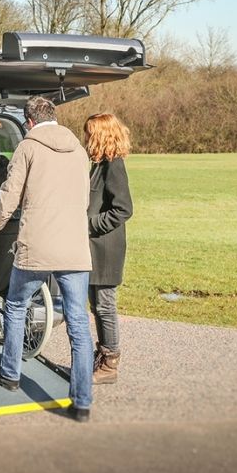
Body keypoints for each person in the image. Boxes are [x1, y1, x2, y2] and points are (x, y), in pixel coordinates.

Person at [0, 96, 95, 423]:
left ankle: (10, 375)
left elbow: (8, 196)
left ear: (29, 121)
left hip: (37, 246)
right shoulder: (78, 150)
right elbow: (83, 198)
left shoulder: (27, 149)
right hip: (75, 248)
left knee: (16, 306)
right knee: (78, 324)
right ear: (53, 117)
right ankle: (83, 402)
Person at [84, 113, 133, 385]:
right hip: (94, 246)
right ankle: (102, 356)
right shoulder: (97, 164)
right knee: (97, 306)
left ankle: (110, 363)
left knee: (105, 306)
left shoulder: (113, 165)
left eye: (89, 133)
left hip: (106, 248)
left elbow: (123, 209)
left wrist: (89, 225)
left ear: (101, 135)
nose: (86, 138)